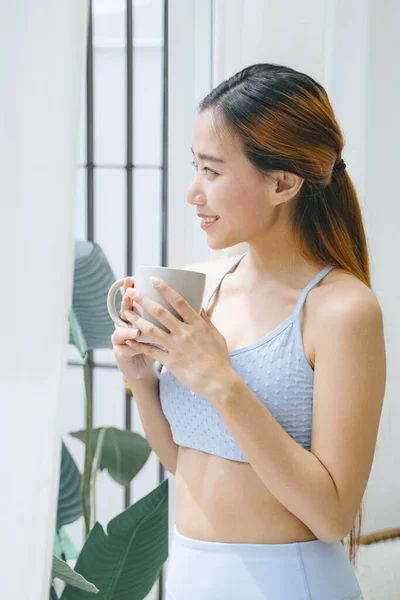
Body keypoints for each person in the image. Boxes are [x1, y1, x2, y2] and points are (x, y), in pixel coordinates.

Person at [111, 63, 386, 600]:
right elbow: (185, 461)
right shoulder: (204, 286)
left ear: (283, 182)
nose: (194, 193)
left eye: (211, 172)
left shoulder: (342, 311)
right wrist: (144, 380)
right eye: (196, 167)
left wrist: (222, 381)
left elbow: (332, 516)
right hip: (190, 575)